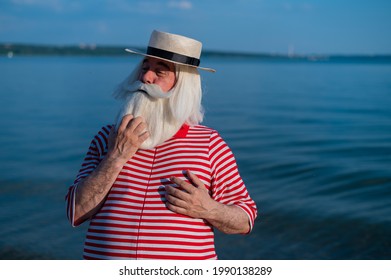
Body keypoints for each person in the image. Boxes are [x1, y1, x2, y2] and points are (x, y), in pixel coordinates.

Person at [65, 30, 257, 260]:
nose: (146, 78)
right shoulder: (108, 137)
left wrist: (209, 208)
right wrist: (115, 157)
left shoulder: (209, 144)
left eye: (159, 72)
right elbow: (75, 212)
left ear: (182, 87)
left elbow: (245, 219)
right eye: (144, 68)